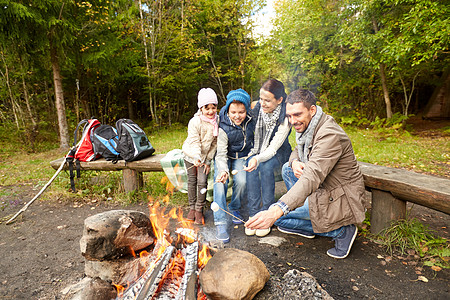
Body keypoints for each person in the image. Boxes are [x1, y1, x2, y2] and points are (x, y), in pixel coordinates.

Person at [245, 89, 366, 259]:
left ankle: (342, 231)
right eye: (289, 116)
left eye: (297, 115)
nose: (293, 121)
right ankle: (307, 218)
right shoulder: (310, 125)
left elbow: (312, 176)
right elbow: (297, 149)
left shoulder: (329, 134)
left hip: (340, 197)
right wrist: (294, 162)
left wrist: (277, 210)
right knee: (287, 168)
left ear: (312, 110)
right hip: (323, 187)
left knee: (278, 218)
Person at [243, 79, 291, 237]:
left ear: (279, 100)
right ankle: (253, 212)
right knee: (251, 165)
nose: (262, 104)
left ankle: (267, 213)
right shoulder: (258, 107)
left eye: (267, 101)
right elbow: (232, 109)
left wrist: (258, 159)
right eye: (261, 99)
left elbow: (272, 149)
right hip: (258, 148)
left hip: (278, 154)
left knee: (265, 166)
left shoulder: (285, 118)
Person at [213, 88, 255, 243]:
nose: (237, 116)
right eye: (233, 112)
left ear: (247, 110)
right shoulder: (223, 124)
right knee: (220, 183)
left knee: (242, 181)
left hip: (242, 156)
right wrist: (223, 170)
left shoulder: (252, 119)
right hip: (225, 157)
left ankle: (234, 207)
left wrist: (252, 157)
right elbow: (221, 153)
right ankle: (220, 221)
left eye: (241, 112)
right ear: (228, 110)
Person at [182, 88, 219, 225]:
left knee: (202, 181)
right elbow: (194, 141)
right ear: (201, 108)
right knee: (192, 181)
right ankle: (192, 207)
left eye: (213, 107)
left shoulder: (217, 121)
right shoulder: (195, 122)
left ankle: (199, 208)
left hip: (204, 158)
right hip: (191, 154)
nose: (210, 111)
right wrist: (197, 157)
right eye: (206, 108)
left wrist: (207, 160)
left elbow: (214, 143)